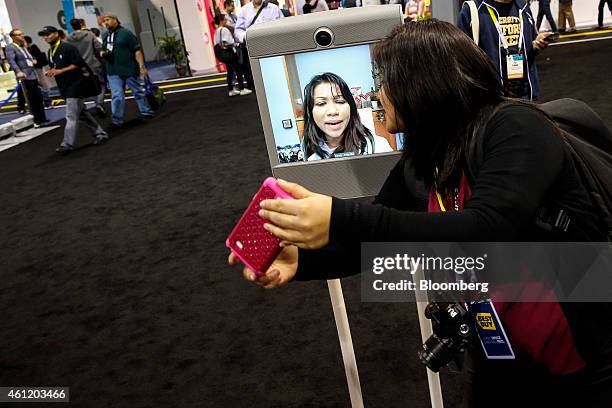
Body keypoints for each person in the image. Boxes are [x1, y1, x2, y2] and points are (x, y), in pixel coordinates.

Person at [229, 20, 612, 407]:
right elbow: (376, 240)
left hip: (586, 353)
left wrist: (338, 217)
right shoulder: (427, 155)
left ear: (421, 85)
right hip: (503, 349)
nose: (378, 96)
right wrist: (302, 262)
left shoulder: (514, 126)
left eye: (386, 82)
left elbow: (486, 226)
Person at [457, 0, 552, 101]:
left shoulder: (523, 7)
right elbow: (461, 58)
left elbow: (529, 45)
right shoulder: (473, 9)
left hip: (526, 94)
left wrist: (536, 45)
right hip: (491, 98)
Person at [38, 25, 108, 155]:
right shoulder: (51, 50)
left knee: (71, 116)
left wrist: (60, 71)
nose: (46, 37)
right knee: (82, 114)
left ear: (56, 34)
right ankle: (100, 133)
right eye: (44, 35)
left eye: (48, 34)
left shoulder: (67, 47)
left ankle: (67, 144)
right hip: (65, 86)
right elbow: (57, 67)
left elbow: (78, 63)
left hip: (75, 85)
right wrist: (53, 71)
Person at [301, 72, 392, 161]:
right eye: (321, 103)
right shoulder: (308, 152)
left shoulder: (378, 147)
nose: (333, 111)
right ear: (310, 112)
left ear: (351, 107)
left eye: (340, 101)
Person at [100, 13, 153, 130]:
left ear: (115, 20)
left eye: (108, 20)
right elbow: (104, 49)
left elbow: (137, 51)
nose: (106, 22)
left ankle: (146, 112)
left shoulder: (126, 34)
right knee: (117, 96)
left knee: (137, 92)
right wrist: (102, 53)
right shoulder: (106, 36)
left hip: (129, 69)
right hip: (113, 71)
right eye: (105, 21)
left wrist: (141, 66)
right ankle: (116, 121)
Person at [234, 0, 284, 92]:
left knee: (275, 74)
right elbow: (238, 31)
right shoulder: (244, 10)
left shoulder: (273, 8)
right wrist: (247, 37)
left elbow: (283, 25)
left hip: (272, 48)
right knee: (257, 77)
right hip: (253, 48)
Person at [5, 28, 48, 126]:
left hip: (32, 74)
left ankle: (42, 119)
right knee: (32, 99)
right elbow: (11, 61)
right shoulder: (10, 47)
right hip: (25, 76)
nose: (21, 36)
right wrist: (18, 71)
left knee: (38, 97)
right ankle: (36, 120)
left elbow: (27, 57)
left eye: (22, 34)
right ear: (13, 37)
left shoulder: (22, 46)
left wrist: (34, 61)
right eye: (18, 34)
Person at [66, 18, 107, 117]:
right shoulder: (89, 34)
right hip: (93, 64)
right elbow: (98, 47)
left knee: (87, 87)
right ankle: (99, 104)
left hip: (79, 67)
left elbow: (69, 53)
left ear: (72, 26)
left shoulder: (68, 38)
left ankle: (91, 105)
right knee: (101, 84)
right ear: (81, 24)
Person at [214, 13, 251, 96]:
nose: (226, 21)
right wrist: (235, 44)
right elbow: (227, 42)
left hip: (222, 54)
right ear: (221, 21)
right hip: (229, 52)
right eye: (225, 19)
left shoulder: (217, 31)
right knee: (238, 69)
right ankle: (242, 88)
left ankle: (231, 89)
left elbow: (218, 43)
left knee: (230, 71)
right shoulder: (224, 30)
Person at [24, 35, 53, 108]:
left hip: (37, 69)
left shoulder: (32, 48)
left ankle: (47, 101)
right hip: (29, 70)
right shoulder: (22, 49)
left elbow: (37, 59)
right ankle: (42, 102)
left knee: (42, 84)